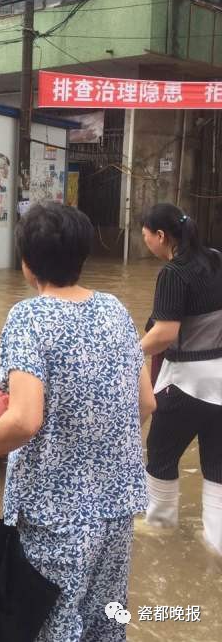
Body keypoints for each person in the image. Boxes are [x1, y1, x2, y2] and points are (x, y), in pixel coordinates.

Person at [0, 202, 155, 642]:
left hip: (55, 516)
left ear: (26, 264)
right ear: (82, 256)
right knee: (105, 625)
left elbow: (24, 419)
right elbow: (147, 403)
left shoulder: (28, 318)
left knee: (50, 628)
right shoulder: (116, 310)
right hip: (119, 508)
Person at [140, 204, 222, 555]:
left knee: (160, 453)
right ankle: (215, 542)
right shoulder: (217, 258)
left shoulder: (173, 273)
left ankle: (159, 525)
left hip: (187, 381)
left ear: (161, 236)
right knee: (217, 465)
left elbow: (165, 334)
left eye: (145, 237)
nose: (146, 244)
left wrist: (127, 351)